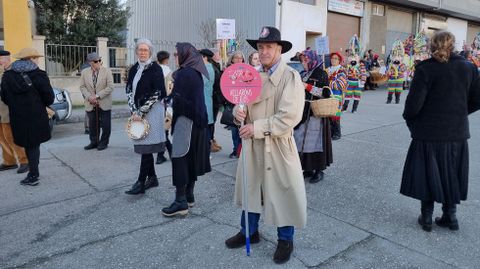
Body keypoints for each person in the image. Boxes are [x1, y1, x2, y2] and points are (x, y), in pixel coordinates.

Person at [225, 26, 306, 264]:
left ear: (279, 49)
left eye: (269, 47)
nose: (264, 51)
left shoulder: (290, 77)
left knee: (283, 192)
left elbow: (289, 116)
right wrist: (238, 112)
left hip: (278, 145)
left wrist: (257, 127)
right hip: (252, 145)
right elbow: (241, 104)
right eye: (260, 47)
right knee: (251, 189)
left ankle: (285, 240)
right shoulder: (249, 75)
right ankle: (249, 232)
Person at [401, 31, 480, 232]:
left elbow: (413, 106)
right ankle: (450, 216)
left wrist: (411, 121)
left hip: (428, 132)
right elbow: (477, 100)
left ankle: (426, 217)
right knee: (452, 173)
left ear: (431, 46)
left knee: (427, 173)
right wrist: (459, 113)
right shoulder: (469, 68)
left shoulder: (425, 69)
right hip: (456, 132)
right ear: (452, 46)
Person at [161, 42, 211, 217]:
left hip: (185, 123)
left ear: (185, 55)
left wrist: (169, 100)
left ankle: (180, 201)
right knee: (190, 159)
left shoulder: (184, 73)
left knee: (180, 159)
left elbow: (179, 101)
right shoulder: (195, 72)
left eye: (177, 54)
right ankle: (189, 195)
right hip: (197, 123)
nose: (175, 57)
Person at [0, 48, 54, 186]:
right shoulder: (39, 75)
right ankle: (33, 175)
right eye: (36, 57)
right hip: (36, 116)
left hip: (18, 118)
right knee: (34, 145)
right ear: (30, 59)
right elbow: (49, 98)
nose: (38, 60)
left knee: (29, 145)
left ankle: (32, 172)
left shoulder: (7, 76)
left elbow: (5, 98)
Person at [124, 39, 167, 195]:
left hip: (152, 112)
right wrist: (133, 109)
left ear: (150, 52)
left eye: (145, 50)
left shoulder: (155, 68)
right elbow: (129, 89)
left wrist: (141, 111)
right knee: (144, 145)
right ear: (136, 51)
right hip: (136, 112)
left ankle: (141, 182)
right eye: (140, 50)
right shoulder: (134, 68)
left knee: (145, 146)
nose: (142, 52)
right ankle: (153, 177)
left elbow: (158, 92)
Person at [294, 48, 333, 183]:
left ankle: (319, 170)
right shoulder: (302, 73)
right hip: (302, 111)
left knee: (315, 142)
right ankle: (307, 168)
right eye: (302, 60)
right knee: (301, 140)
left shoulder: (321, 73)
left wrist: (307, 86)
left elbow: (326, 93)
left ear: (313, 59)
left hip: (316, 112)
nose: (304, 62)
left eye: (306, 59)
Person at [0, 50, 29, 174]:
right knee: (2, 138)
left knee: (11, 137)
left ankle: (24, 161)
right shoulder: (2, 72)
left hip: (9, 111)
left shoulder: (14, 72)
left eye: (0, 59)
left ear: (6, 59)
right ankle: (9, 161)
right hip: (1, 111)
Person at [79, 52, 114, 151]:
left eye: (99, 60)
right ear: (90, 62)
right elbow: (82, 87)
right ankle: (94, 142)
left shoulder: (107, 71)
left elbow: (110, 87)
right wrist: (89, 97)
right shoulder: (84, 72)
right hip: (90, 103)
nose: (98, 62)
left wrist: (97, 96)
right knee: (93, 124)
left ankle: (104, 143)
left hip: (104, 102)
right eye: (96, 61)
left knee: (106, 125)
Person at [225, 50, 245, 158]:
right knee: (234, 129)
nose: (238, 60)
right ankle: (235, 149)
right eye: (236, 57)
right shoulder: (227, 71)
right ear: (232, 59)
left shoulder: (246, 70)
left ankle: (242, 150)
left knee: (242, 129)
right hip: (232, 103)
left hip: (243, 102)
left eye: (240, 58)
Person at [155, 50, 173, 164]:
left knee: (159, 130)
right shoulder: (169, 72)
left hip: (154, 104)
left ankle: (160, 155)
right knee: (165, 129)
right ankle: (169, 153)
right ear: (166, 59)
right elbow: (169, 89)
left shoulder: (152, 71)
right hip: (165, 103)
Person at [199, 49, 217, 154]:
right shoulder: (207, 68)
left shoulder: (207, 69)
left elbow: (199, 84)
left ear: (205, 57)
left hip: (204, 101)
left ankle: (206, 153)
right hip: (205, 101)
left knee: (204, 129)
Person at [326, 52, 347, 140]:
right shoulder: (327, 70)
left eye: (335, 58)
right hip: (327, 95)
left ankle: (337, 133)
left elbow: (340, 84)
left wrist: (328, 83)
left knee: (336, 115)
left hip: (337, 95)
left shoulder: (341, 70)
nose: (333, 60)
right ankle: (330, 132)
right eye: (332, 58)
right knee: (328, 115)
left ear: (339, 60)